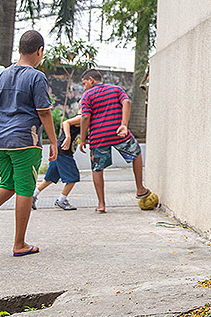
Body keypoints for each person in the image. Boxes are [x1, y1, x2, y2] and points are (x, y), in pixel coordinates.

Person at [0, 30, 57, 256]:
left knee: (8, 183)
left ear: (19, 50)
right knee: (25, 188)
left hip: (0, 141)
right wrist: (53, 142)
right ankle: (19, 244)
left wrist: (0, 130)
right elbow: (43, 112)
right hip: (25, 140)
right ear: (39, 51)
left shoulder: (4, 74)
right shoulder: (36, 77)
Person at [78, 68, 151, 213]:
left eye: (84, 83)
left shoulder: (87, 95)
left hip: (98, 137)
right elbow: (127, 102)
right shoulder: (116, 89)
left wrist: (82, 138)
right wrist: (123, 125)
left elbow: (85, 117)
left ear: (91, 80)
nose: (84, 86)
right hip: (118, 132)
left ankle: (101, 204)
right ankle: (140, 189)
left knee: (97, 168)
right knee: (136, 153)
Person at [33, 115, 82, 211]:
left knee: (50, 178)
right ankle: (61, 200)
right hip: (64, 152)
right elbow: (66, 122)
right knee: (73, 177)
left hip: (60, 151)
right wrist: (67, 136)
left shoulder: (85, 118)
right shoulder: (80, 117)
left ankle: (33, 196)